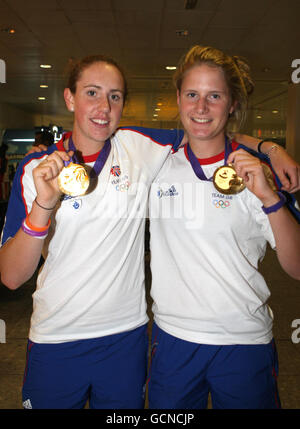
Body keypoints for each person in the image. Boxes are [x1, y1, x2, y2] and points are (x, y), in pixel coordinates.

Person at [0, 53, 299, 410]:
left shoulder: (140, 148)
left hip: (137, 338)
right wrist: (44, 206)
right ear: (69, 98)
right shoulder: (41, 169)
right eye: (91, 92)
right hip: (67, 335)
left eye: (115, 95)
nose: (104, 106)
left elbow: (207, 128)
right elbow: (12, 277)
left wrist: (271, 149)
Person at [147, 45, 300, 409]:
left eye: (214, 96)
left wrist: (269, 196)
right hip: (173, 340)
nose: (201, 108)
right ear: (179, 100)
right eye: (192, 95)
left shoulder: (257, 173)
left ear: (232, 104)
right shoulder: (156, 164)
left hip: (243, 342)